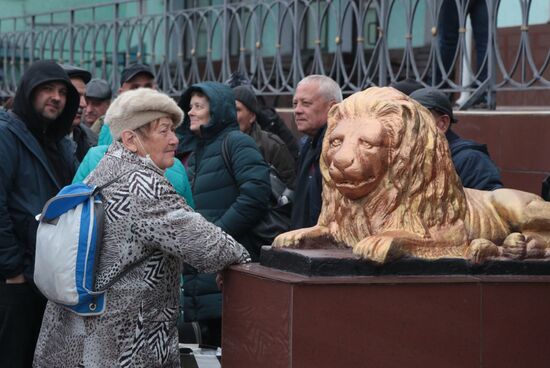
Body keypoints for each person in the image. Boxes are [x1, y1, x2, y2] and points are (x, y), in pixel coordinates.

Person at [33, 87, 250, 367]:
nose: (174, 140)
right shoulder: (143, 186)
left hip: (75, 343)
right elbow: (209, 246)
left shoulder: (105, 171)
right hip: (121, 349)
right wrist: (240, 258)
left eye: (173, 130)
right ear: (131, 139)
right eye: (163, 131)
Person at [0, 60, 79, 368]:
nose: (56, 97)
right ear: (28, 91)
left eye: (62, 91)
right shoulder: (7, 135)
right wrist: (12, 270)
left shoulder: (57, 142)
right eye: (47, 89)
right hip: (16, 280)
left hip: (46, 279)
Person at [178, 81, 270, 347]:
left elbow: (255, 195)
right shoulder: (196, 151)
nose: (191, 112)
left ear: (216, 110)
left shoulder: (236, 142)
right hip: (202, 269)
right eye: (190, 107)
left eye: (198, 106)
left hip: (226, 266)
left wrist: (215, 237)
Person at [410, 87, 503, 190]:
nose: (408, 126)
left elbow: (491, 201)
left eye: (417, 118)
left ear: (442, 123)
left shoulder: (470, 160)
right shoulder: (412, 155)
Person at [291, 75, 342, 230]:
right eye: (295, 103)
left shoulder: (341, 149)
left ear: (332, 107)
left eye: (306, 103)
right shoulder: (308, 143)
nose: (297, 111)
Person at [233, 85, 296, 189]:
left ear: (252, 117)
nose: (231, 114)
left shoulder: (272, 146)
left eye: (237, 109)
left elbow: (289, 187)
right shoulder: (217, 144)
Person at [97, 63, 156, 145]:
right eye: (135, 87)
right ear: (121, 93)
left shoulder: (166, 122)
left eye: (147, 86)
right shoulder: (110, 124)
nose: (143, 92)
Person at [61, 64, 98, 161]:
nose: (84, 104)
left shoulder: (92, 141)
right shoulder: (34, 141)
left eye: (84, 96)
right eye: (76, 96)